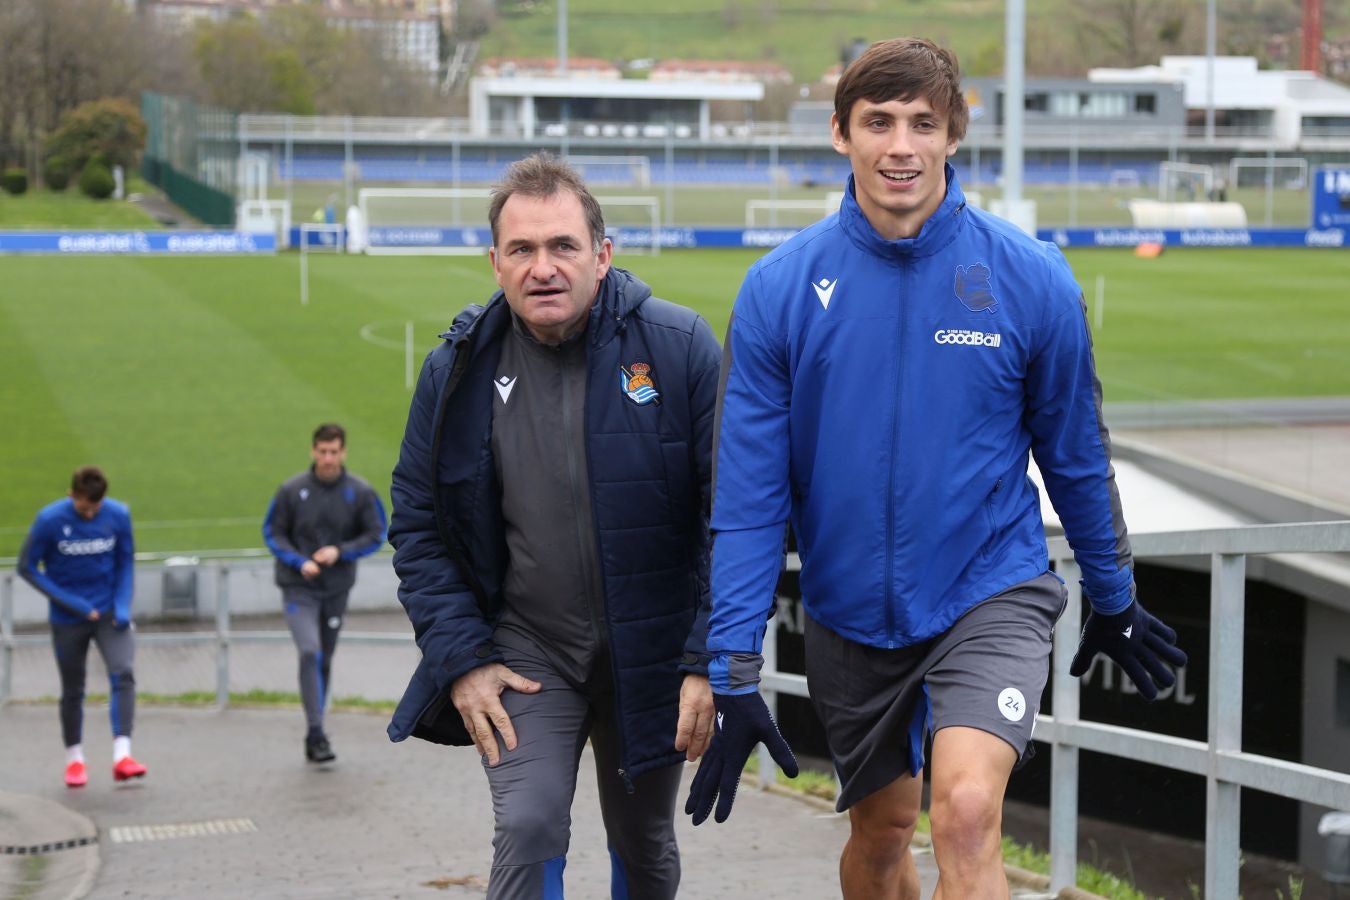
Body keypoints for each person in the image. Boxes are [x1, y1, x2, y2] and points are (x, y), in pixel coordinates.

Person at [685, 37, 1188, 899]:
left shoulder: (1032, 281)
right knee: (881, 836)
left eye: (924, 122)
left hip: (988, 588)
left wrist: (1113, 591)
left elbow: (1075, 456)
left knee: (962, 812)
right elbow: (750, 497)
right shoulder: (777, 290)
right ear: (841, 134)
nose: (902, 145)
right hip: (849, 613)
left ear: (955, 133)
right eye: (878, 122)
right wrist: (732, 663)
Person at [386, 153, 721, 899]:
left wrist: (704, 659)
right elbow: (417, 523)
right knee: (530, 824)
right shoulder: (458, 370)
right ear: (495, 262)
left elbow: (727, 515)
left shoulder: (679, 347)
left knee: (644, 841)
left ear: (602, 255)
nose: (545, 267)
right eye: (523, 249)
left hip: (653, 652)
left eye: (563, 246)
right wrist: (463, 658)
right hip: (527, 651)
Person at [263, 422, 387, 764]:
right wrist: (299, 562)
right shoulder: (291, 490)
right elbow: (273, 534)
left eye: (334, 452)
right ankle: (317, 732)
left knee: (325, 659)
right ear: (313, 451)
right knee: (309, 651)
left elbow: (377, 534)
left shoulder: (360, 492)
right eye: (323, 451)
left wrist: (340, 551)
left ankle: (314, 729)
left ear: (343, 452)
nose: (328, 458)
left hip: (336, 589)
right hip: (298, 587)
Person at [17, 466, 148, 788]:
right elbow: (27, 568)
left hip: (108, 615)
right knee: (73, 688)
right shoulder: (49, 520)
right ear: (71, 495)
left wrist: (120, 604)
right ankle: (74, 758)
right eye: (83, 508)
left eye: (95, 509)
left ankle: (123, 755)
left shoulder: (118, 515)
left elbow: (125, 561)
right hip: (68, 619)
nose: (90, 515)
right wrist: (70, 603)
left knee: (124, 671)